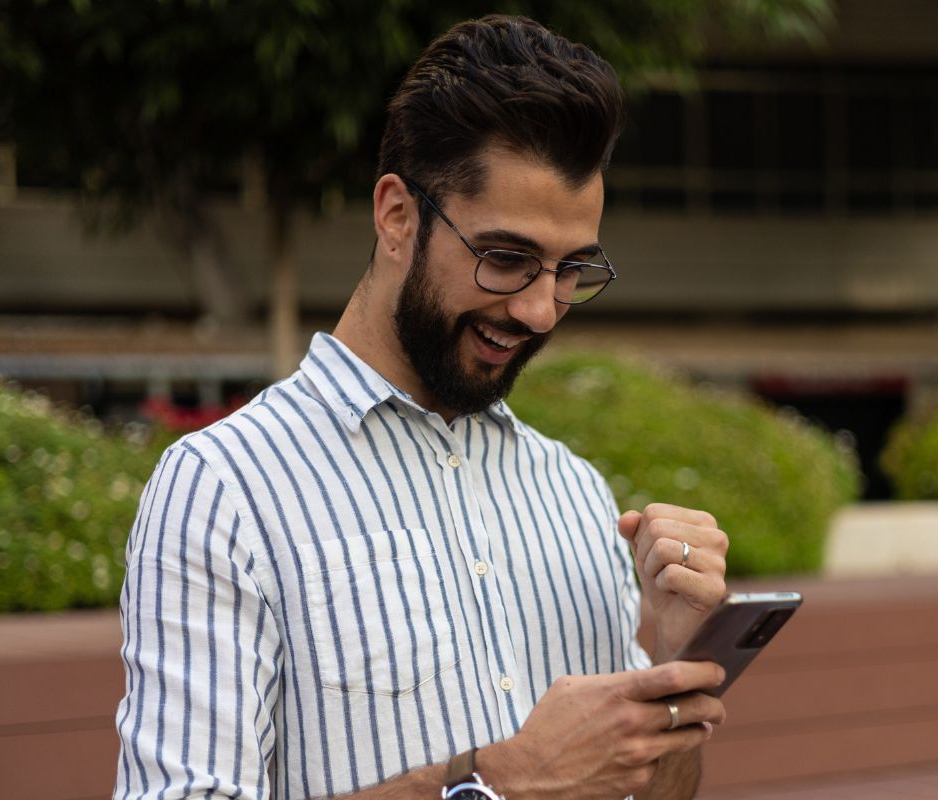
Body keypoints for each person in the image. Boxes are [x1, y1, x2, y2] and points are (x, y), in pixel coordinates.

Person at [114, 14, 729, 800]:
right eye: (506, 259)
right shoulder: (223, 488)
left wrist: (675, 676)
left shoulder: (574, 492)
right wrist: (490, 786)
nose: (542, 310)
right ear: (397, 215)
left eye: (572, 269)